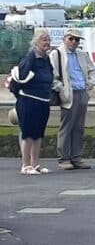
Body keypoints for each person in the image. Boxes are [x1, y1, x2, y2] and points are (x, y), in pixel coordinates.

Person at [50, 28, 95, 170]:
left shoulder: (82, 54)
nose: (74, 42)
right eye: (71, 39)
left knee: (79, 127)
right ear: (64, 39)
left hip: (82, 92)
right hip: (68, 94)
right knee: (66, 126)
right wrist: (61, 88)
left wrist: (90, 84)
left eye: (76, 39)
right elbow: (52, 76)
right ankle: (64, 158)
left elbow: (92, 70)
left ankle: (76, 157)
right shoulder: (56, 54)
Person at [9, 28, 54, 175]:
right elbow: (20, 78)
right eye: (44, 40)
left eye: (48, 39)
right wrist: (20, 96)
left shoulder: (47, 59)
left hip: (43, 100)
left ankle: (35, 164)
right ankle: (26, 165)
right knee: (28, 133)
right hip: (28, 101)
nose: (47, 42)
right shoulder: (30, 58)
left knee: (38, 134)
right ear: (36, 42)